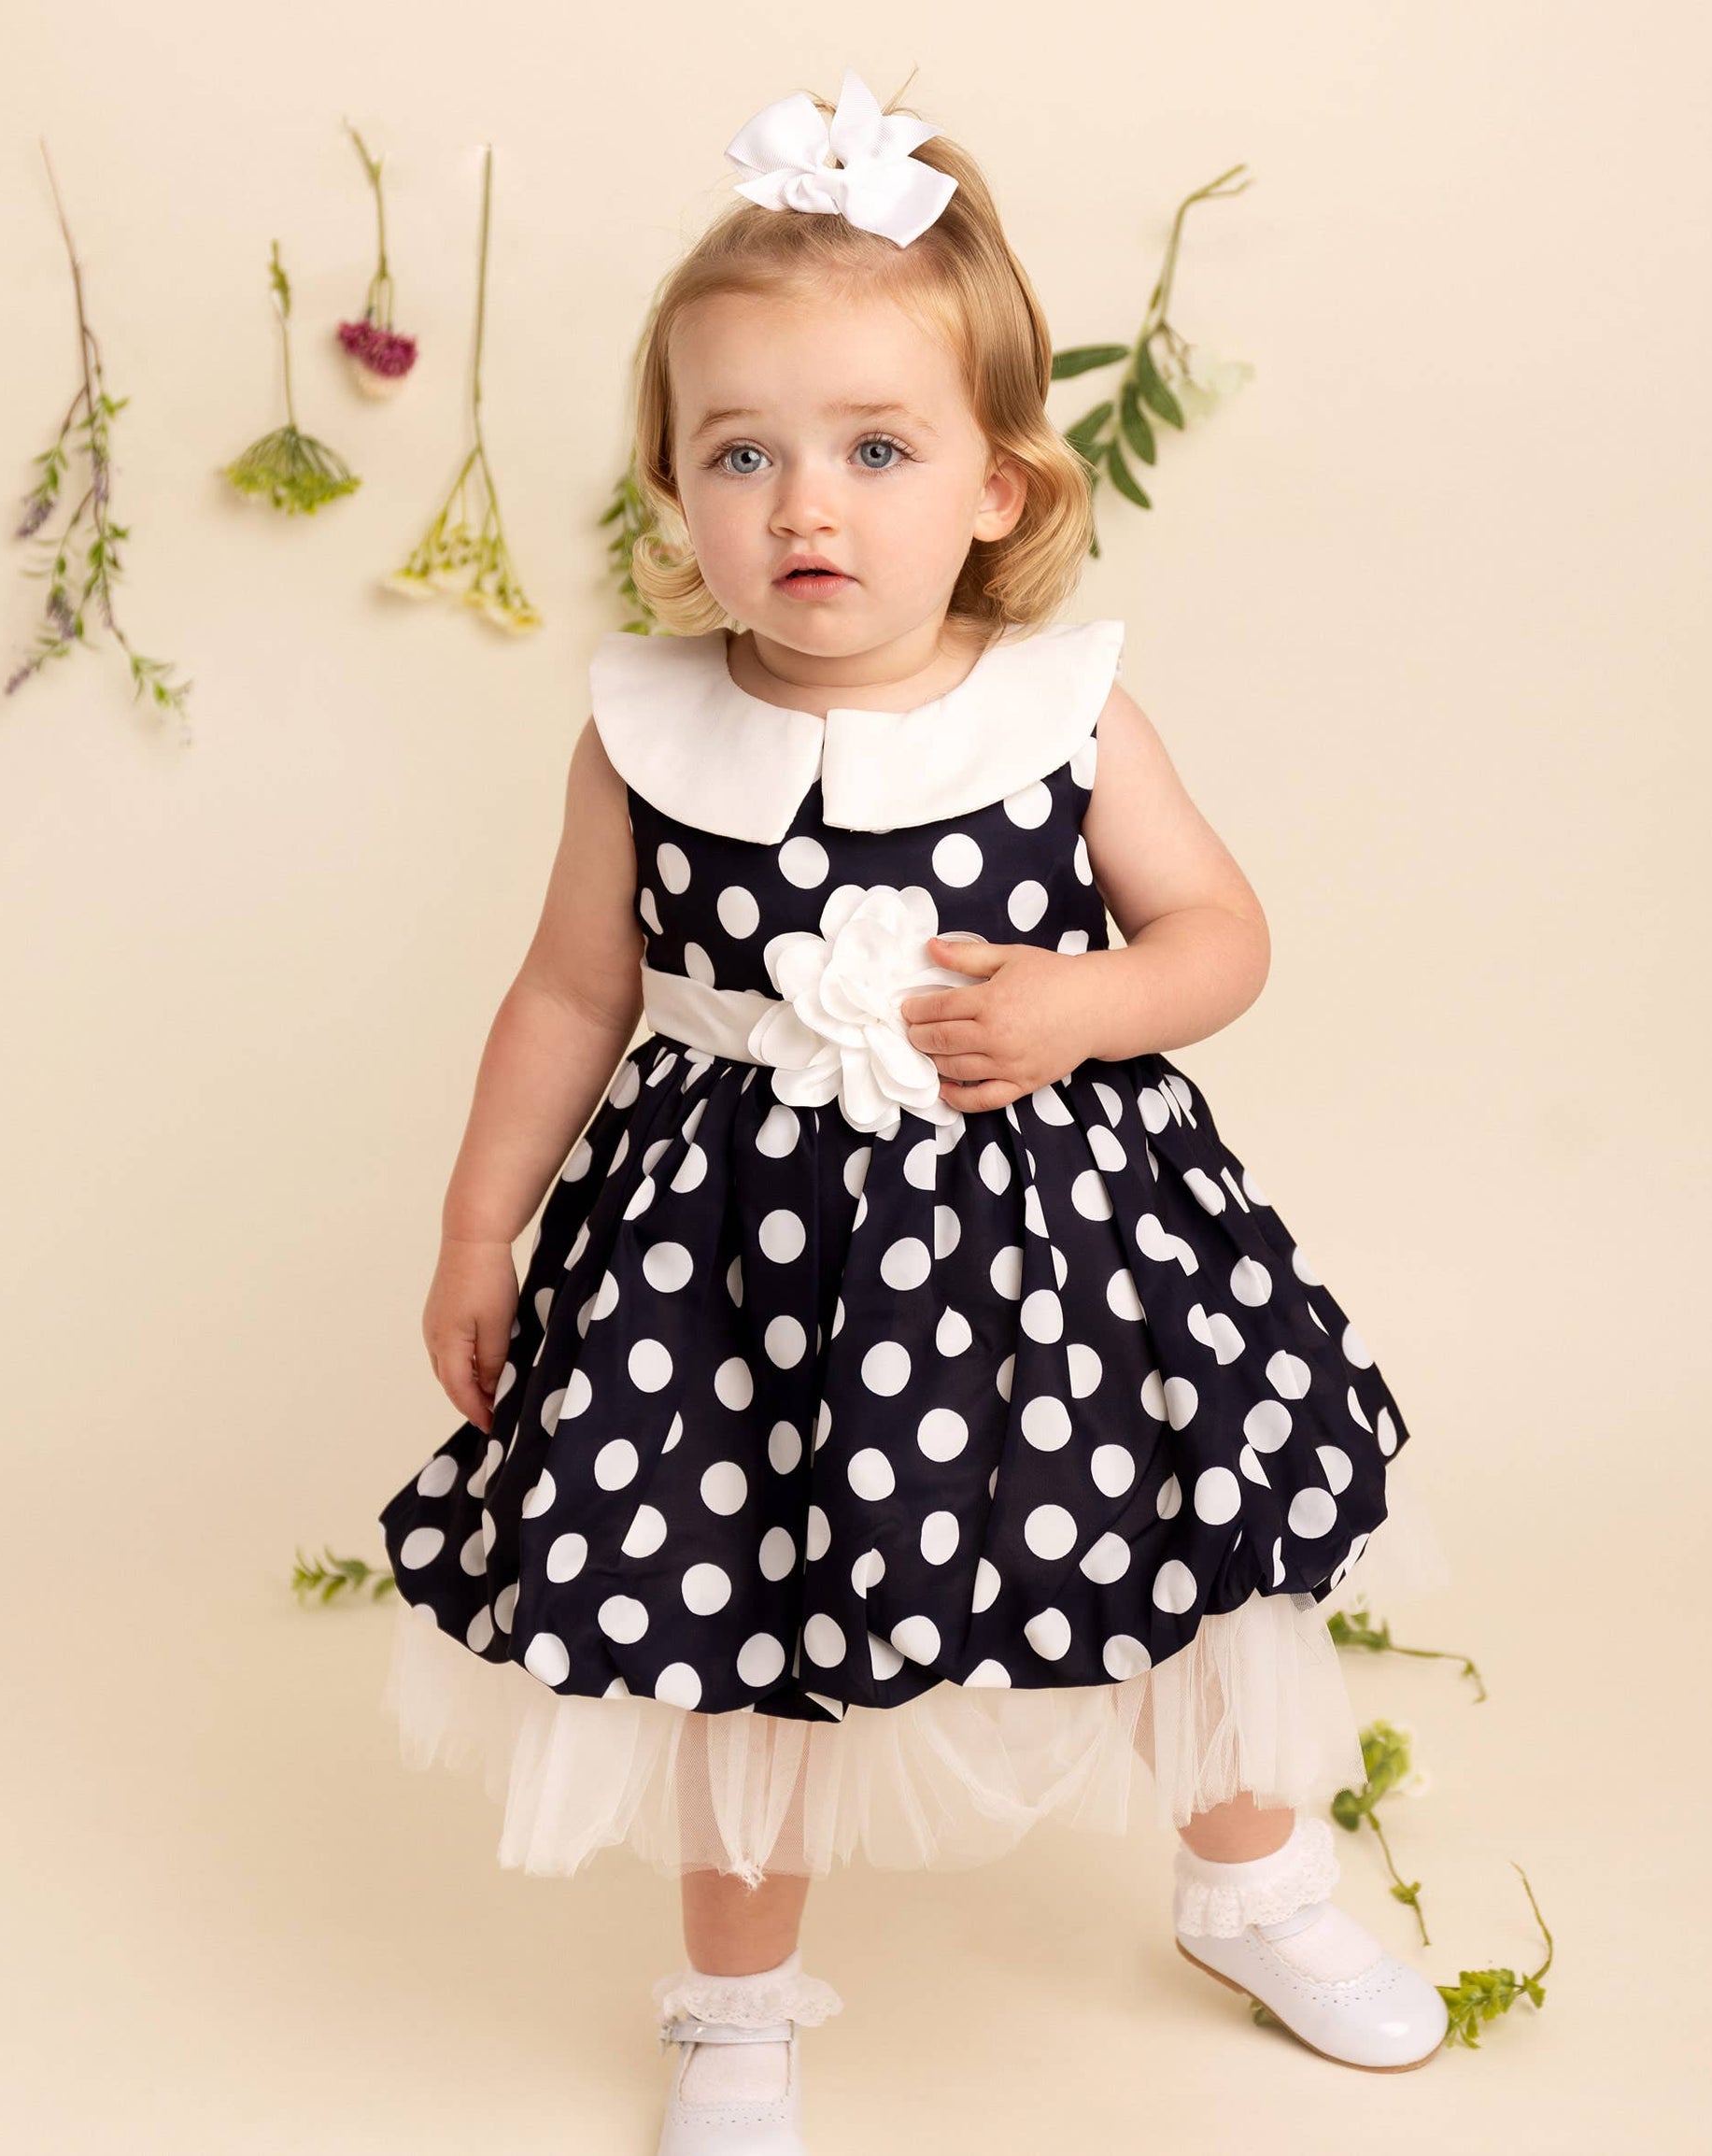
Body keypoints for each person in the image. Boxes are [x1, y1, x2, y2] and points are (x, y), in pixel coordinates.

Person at [376, 64, 1455, 2153]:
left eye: (876, 449)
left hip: (1064, 1258)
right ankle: (736, 2005)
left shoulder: (1060, 712)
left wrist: (1095, 999)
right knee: (736, 1618)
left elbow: (1221, 932)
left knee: (1186, 1562)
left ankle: (1254, 1881)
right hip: (727, 1286)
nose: (806, 505)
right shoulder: (643, 733)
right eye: (741, 451)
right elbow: (570, 991)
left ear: (993, 484)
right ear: (672, 490)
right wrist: (472, 1224)